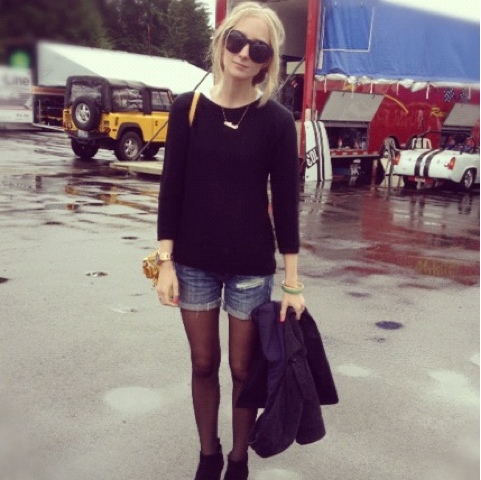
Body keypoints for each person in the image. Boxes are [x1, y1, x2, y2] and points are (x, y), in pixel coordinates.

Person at [155, 2, 305, 479]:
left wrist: (293, 282)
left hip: (251, 268)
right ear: (222, 42)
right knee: (203, 363)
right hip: (193, 262)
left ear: (268, 61)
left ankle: (239, 459)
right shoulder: (187, 109)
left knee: (244, 369)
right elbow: (171, 189)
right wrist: (164, 261)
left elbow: (286, 204)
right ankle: (209, 454)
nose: (243, 54)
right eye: (237, 41)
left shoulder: (277, 122)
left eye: (258, 49)